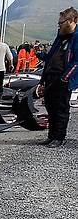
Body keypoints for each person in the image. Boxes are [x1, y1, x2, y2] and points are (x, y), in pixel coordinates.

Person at [37, 7, 78, 147]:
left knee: (60, 108)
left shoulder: (76, 37)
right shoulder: (60, 36)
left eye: (61, 22)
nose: (59, 25)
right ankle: (52, 135)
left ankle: (59, 137)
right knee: (50, 106)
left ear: (71, 20)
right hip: (51, 76)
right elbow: (51, 56)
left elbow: (77, 61)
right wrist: (41, 55)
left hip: (64, 78)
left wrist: (65, 77)